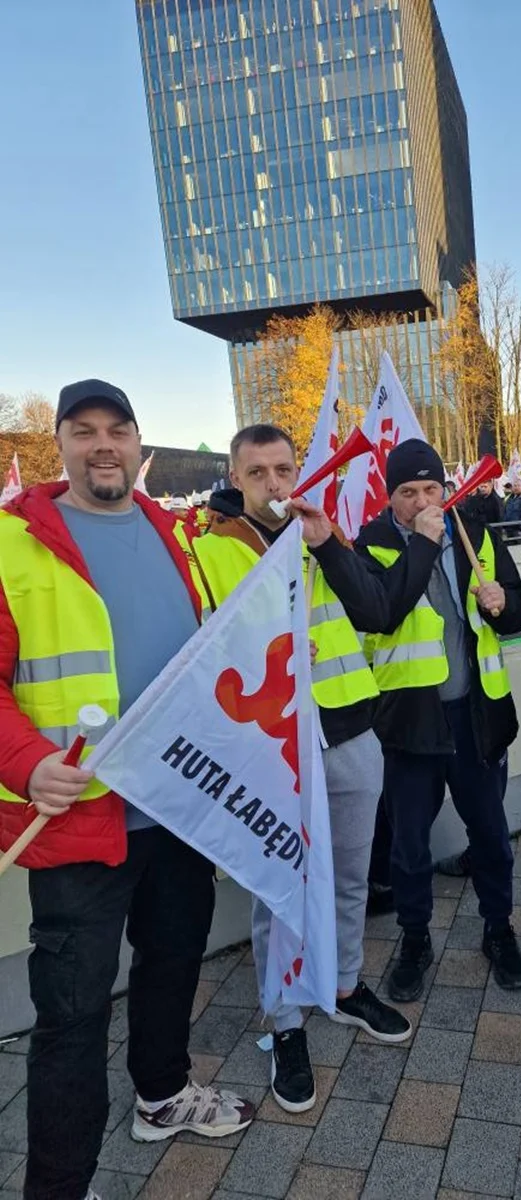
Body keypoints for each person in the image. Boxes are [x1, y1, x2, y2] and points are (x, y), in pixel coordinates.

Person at [0, 380, 255, 1200]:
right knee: (72, 1018)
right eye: (84, 431)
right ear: (60, 445)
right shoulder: (11, 544)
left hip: (177, 810)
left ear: (139, 443)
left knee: (172, 964)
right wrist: (26, 763)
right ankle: (58, 1187)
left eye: (118, 429)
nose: (103, 444)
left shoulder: (177, 534)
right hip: (78, 822)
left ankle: (162, 1095)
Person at [194, 424, 411, 1116]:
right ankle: (285, 1021)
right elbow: (204, 647)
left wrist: (326, 545)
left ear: (297, 472)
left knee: (350, 875)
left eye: (282, 469)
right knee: (277, 888)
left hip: (347, 730)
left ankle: (344, 984)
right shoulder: (209, 548)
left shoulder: (321, 530)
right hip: (271, 745)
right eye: (256, 472)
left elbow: (377, 612)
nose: (273, 484)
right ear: (234, 477)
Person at [318, 438, 521, 1001]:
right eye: (407, 492)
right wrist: (422, 543)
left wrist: (503, 605)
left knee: (490, 833)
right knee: (409, 844)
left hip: (476, 715)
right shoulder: (371, 545)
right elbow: (382, 616)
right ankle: (415, 939)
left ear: (445, 487)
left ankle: (499, 929)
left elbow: (517, 613)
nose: (421, 502)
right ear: (390, 497)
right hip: (407, 723)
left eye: (431, 488)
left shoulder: (476, 534)